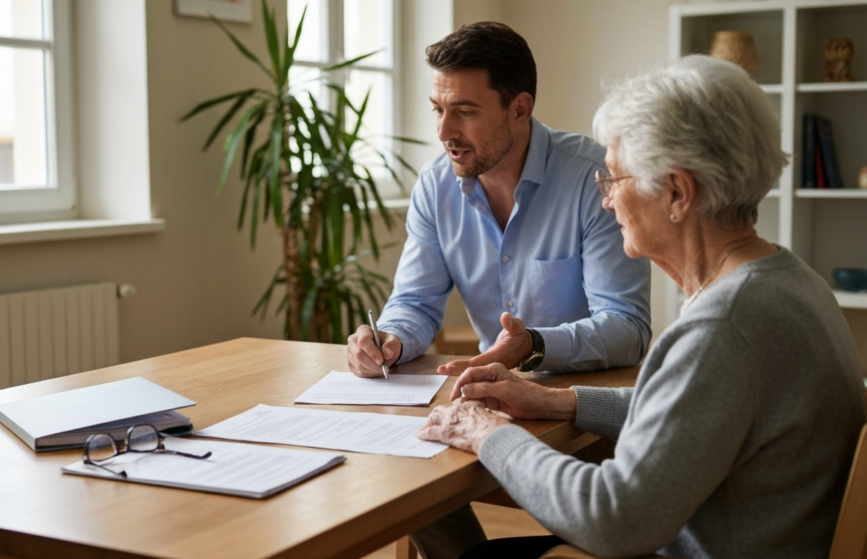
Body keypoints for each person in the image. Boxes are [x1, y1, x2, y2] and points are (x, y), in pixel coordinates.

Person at [415, 55, 867, 559]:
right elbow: (691, 409)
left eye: (613, 179)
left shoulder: (724, 326)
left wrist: (488, 433)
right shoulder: (787, 280)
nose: (606, 202)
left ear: (676, 193)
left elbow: (613, 520)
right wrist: (559, 402)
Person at [345, 22, 651, 379]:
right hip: (487, 393)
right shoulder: (434, 185)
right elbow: (415, 303)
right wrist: (389, 338)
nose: (444, 132)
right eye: (438, 110)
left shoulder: (594, 179)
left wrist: (534, 345)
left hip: (583, 401)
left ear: (519, 109)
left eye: (465, 112)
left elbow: (627, 327)